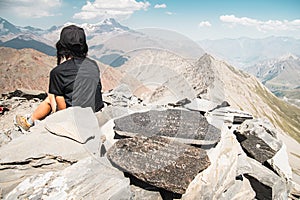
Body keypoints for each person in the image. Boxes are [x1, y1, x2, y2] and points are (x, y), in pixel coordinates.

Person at [15, 25, 104, 132]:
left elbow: (62, 108)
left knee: (50, 97)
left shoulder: (58, 72)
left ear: (62, 47)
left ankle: (29, 122)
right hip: (95, 113)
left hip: (74, 120)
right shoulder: (93, 65)